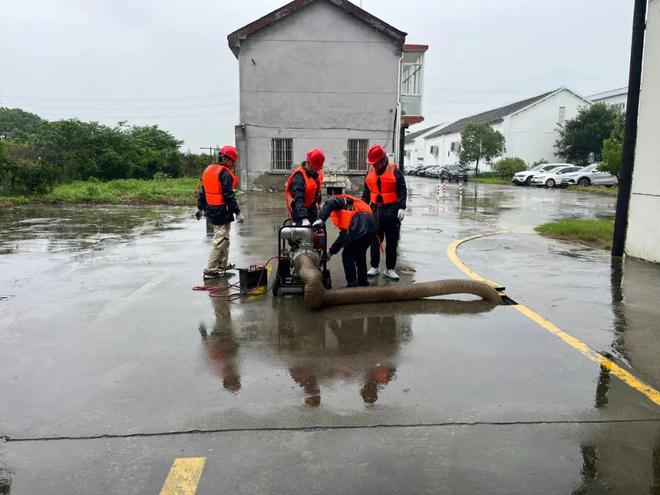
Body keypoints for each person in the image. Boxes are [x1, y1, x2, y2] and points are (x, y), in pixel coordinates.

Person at [196, 145, 244, 280]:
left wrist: (200, 207)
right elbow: (228, 194)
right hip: (221, 210)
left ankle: (223, 263)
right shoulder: (224, 173)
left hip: (212, 209)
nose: (234, 164)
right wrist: (237, 211)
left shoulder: (209, 170)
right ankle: (211, 269)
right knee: (220, 239)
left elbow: (203, 191)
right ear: (226, 158)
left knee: (225, 238)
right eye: (233, 161)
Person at [361, 144, 407, 280]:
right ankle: (374, 267)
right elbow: (366, 192)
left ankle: (389, 269)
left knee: (392, 242)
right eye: (372, 164)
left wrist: (401, 207)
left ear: (382, 160)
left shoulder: (394, 171)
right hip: (375, 211)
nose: (373, 166)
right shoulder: (370, 172)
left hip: (392, 211)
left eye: (375, 164)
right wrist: (362, 208)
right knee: (374, 241)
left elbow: (402, 190)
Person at [313, 194, 376, 287]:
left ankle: (352, 284)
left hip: (360, 226)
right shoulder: (349, 209)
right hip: (372, 228)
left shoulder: (334, 200)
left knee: (347, 256)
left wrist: (321, 219)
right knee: (360, 255)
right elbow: (343, 236)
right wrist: (331, 252)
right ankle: (363, 282)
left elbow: (331, 202)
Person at [285, 148, 325, 226]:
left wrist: (319, 204)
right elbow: (298, 199)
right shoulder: (298, 178)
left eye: (317, 169)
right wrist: (304, 218)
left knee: (320, 230)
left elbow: (317, 191)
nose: (316, 171)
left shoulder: (315, 174)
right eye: (314, 168)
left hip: (311, 209)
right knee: (305, 234)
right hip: (299, 212)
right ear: (308, 162)